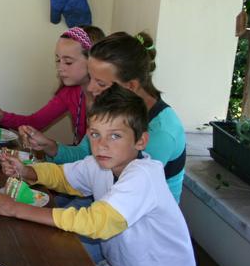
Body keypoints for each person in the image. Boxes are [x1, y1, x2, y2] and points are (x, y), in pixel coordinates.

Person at [0, 85, 198, 266]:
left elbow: (95, 222)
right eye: (95, 134)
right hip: (123, 264)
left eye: (115, 136)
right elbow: (63, 176)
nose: (102, 145)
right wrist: (27, 171)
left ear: (140, 141)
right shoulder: (101, 163)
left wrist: (17, 209)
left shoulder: (143, 176)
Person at [19, 31, 186, 202]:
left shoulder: (161, 133)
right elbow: (85, 156)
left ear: (131, 86)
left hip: (130, 210)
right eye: (91, 78)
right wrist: (50, 146)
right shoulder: (113, 108)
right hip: (102, 191)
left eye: (101, 83)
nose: (90, 88)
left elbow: (122, 200)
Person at [0, 25, 105, 144]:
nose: (60, 68)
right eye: (58, 60)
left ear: (93, 61)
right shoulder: (69, 93)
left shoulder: (109, 100)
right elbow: (35, 122)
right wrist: (2, 117)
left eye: (68, 62)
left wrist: (50, 146)